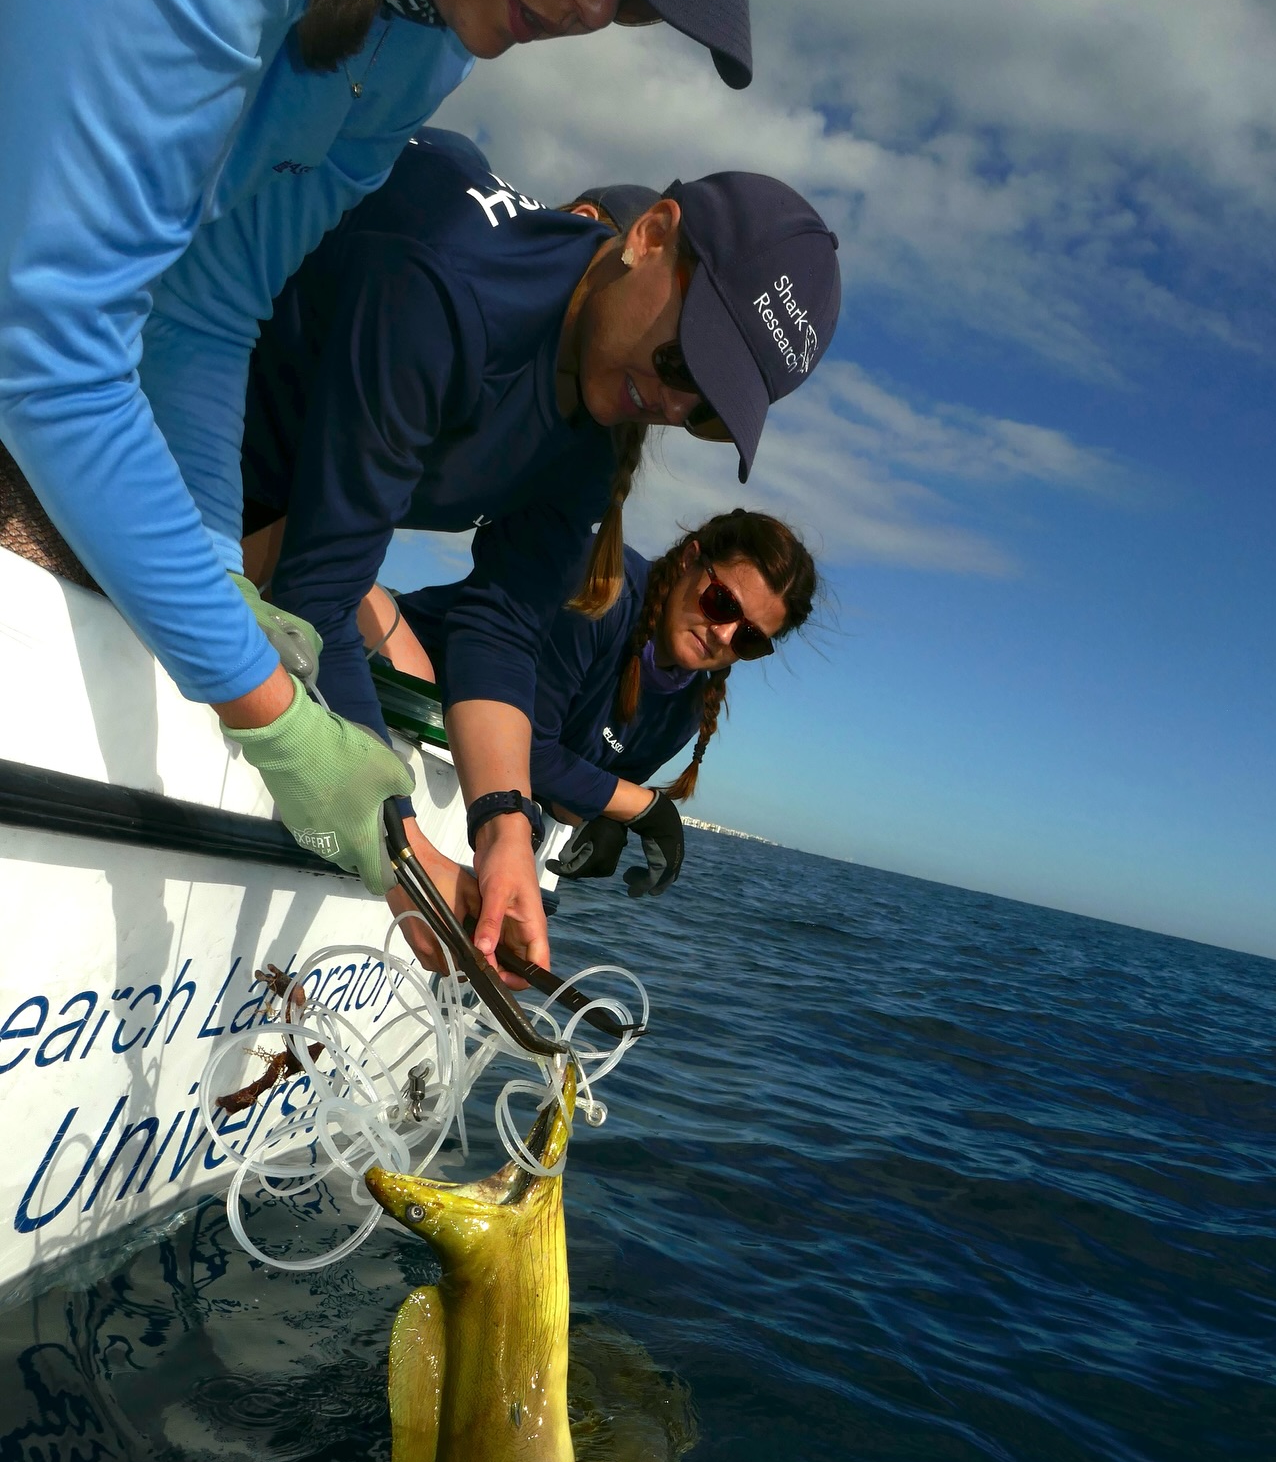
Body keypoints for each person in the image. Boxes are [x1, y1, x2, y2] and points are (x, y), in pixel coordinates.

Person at [0, 0, 771, 969]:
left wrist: (218, 580)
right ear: (651, 236)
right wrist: (278, 722)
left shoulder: (423, 47)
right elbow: (48, 344)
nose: (590, 3)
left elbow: (210, 310)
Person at [233, 130, 842, 969]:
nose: (669, 402)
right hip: (184, 452)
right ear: (649, 236)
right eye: (680, 358)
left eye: (705, 410)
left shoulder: (595, 436)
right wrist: (403, 861)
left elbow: (503, 628)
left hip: (278, 514)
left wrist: (504, 825)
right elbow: (316, 597)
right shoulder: (444, 287)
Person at [370, 509, 817, 899]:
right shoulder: (603, 588)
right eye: (721, 602)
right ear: (688, 560)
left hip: (458, 785)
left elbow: (586, 785)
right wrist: (641, 808)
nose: (723, 634)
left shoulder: (685, 710)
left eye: (750, 638)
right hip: (382, 673)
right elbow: (516, 743)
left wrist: (604, 818)